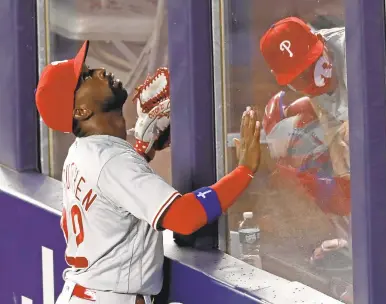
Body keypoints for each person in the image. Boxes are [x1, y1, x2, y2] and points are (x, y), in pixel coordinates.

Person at [35, 40, 261, 304]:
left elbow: (113, 193)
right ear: (81, 111)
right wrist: (245, 170)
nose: (98, 72)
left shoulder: (80, 153)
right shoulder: (112, 161)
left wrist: (144, 151)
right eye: (86, 77)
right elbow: (184, 217)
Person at [259, 17, 352, 303]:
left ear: (320, 43)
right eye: (298, 77)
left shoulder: (364, 53)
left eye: (311, 65)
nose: (310, 79)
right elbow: (348, 179)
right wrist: (355, 248)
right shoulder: (316, 100)